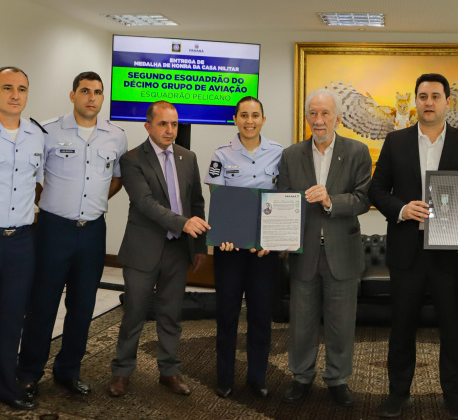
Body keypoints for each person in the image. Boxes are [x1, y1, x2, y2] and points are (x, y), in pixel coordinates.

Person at [368, 73, 458, 419]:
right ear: (415, 101)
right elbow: (376, 190)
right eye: (423, 96)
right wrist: (402, 209)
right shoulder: (396, 141)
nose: (429, 102)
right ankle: (398, 392)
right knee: (402, 323)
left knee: (452, 324)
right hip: (407, 249)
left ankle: (454, 394)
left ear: (448, 102)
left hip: (450, 251)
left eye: (436, 96)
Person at [16, 72, 127, 400]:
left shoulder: (115, 135)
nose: (91, 97)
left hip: (93, 232)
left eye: (97, 92)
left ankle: (68, 371)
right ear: (72, 95)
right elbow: (34, 179)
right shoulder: (47, 131)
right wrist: (55, 204)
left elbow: (116, 178)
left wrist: (94, 202)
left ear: (102, 98)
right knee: (43, 304)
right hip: (53, 231)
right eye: (85, 91)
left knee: (83, 305)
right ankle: (28, 373)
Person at [277, 88, 372, 407]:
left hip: (342, 253)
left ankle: (338, 379)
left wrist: (332, 201)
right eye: (313, 114)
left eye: (325, 113)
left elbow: (363, 199)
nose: (319, 120)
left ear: (338, 118)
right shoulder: (291, 155)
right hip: (303, 252)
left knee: (341, 323)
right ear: (307, 118)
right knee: (301, 322)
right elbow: (283, 201)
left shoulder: (358, 152)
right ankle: (301, 376)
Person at [108, 100, 208, 397]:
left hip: (178, 250)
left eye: (174, 124)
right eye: (163, 123)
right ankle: (122, 372)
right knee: (134, 313)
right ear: (148, 126)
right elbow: (145, 203)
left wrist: (198, 246)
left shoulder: (187, 157)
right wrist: (183, 223)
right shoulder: (132, 159)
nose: (169, 130)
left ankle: (170, 371)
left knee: (170, 315)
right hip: (143, 250)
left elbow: (197, 203)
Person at [204, 96, 284, 398]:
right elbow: (217, 195)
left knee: (261, 315)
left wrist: (273, 240)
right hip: (230, 250)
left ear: (264, 119)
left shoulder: (278, 154)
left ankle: (257, 377)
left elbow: (283, 198)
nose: (250, 121)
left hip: (264, 251)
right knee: (227, 314)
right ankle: (224, 378)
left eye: (255, 115)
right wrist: (225, 233)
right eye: (244, 115)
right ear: (235, 119)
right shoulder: (221, 155)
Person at [0, 66, 44, 410]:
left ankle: (6, 386)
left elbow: (40, 181)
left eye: (22, 89)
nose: (15, 95)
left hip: (20, 241)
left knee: (13, 316)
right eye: (8, 88)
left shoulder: (36, 135)